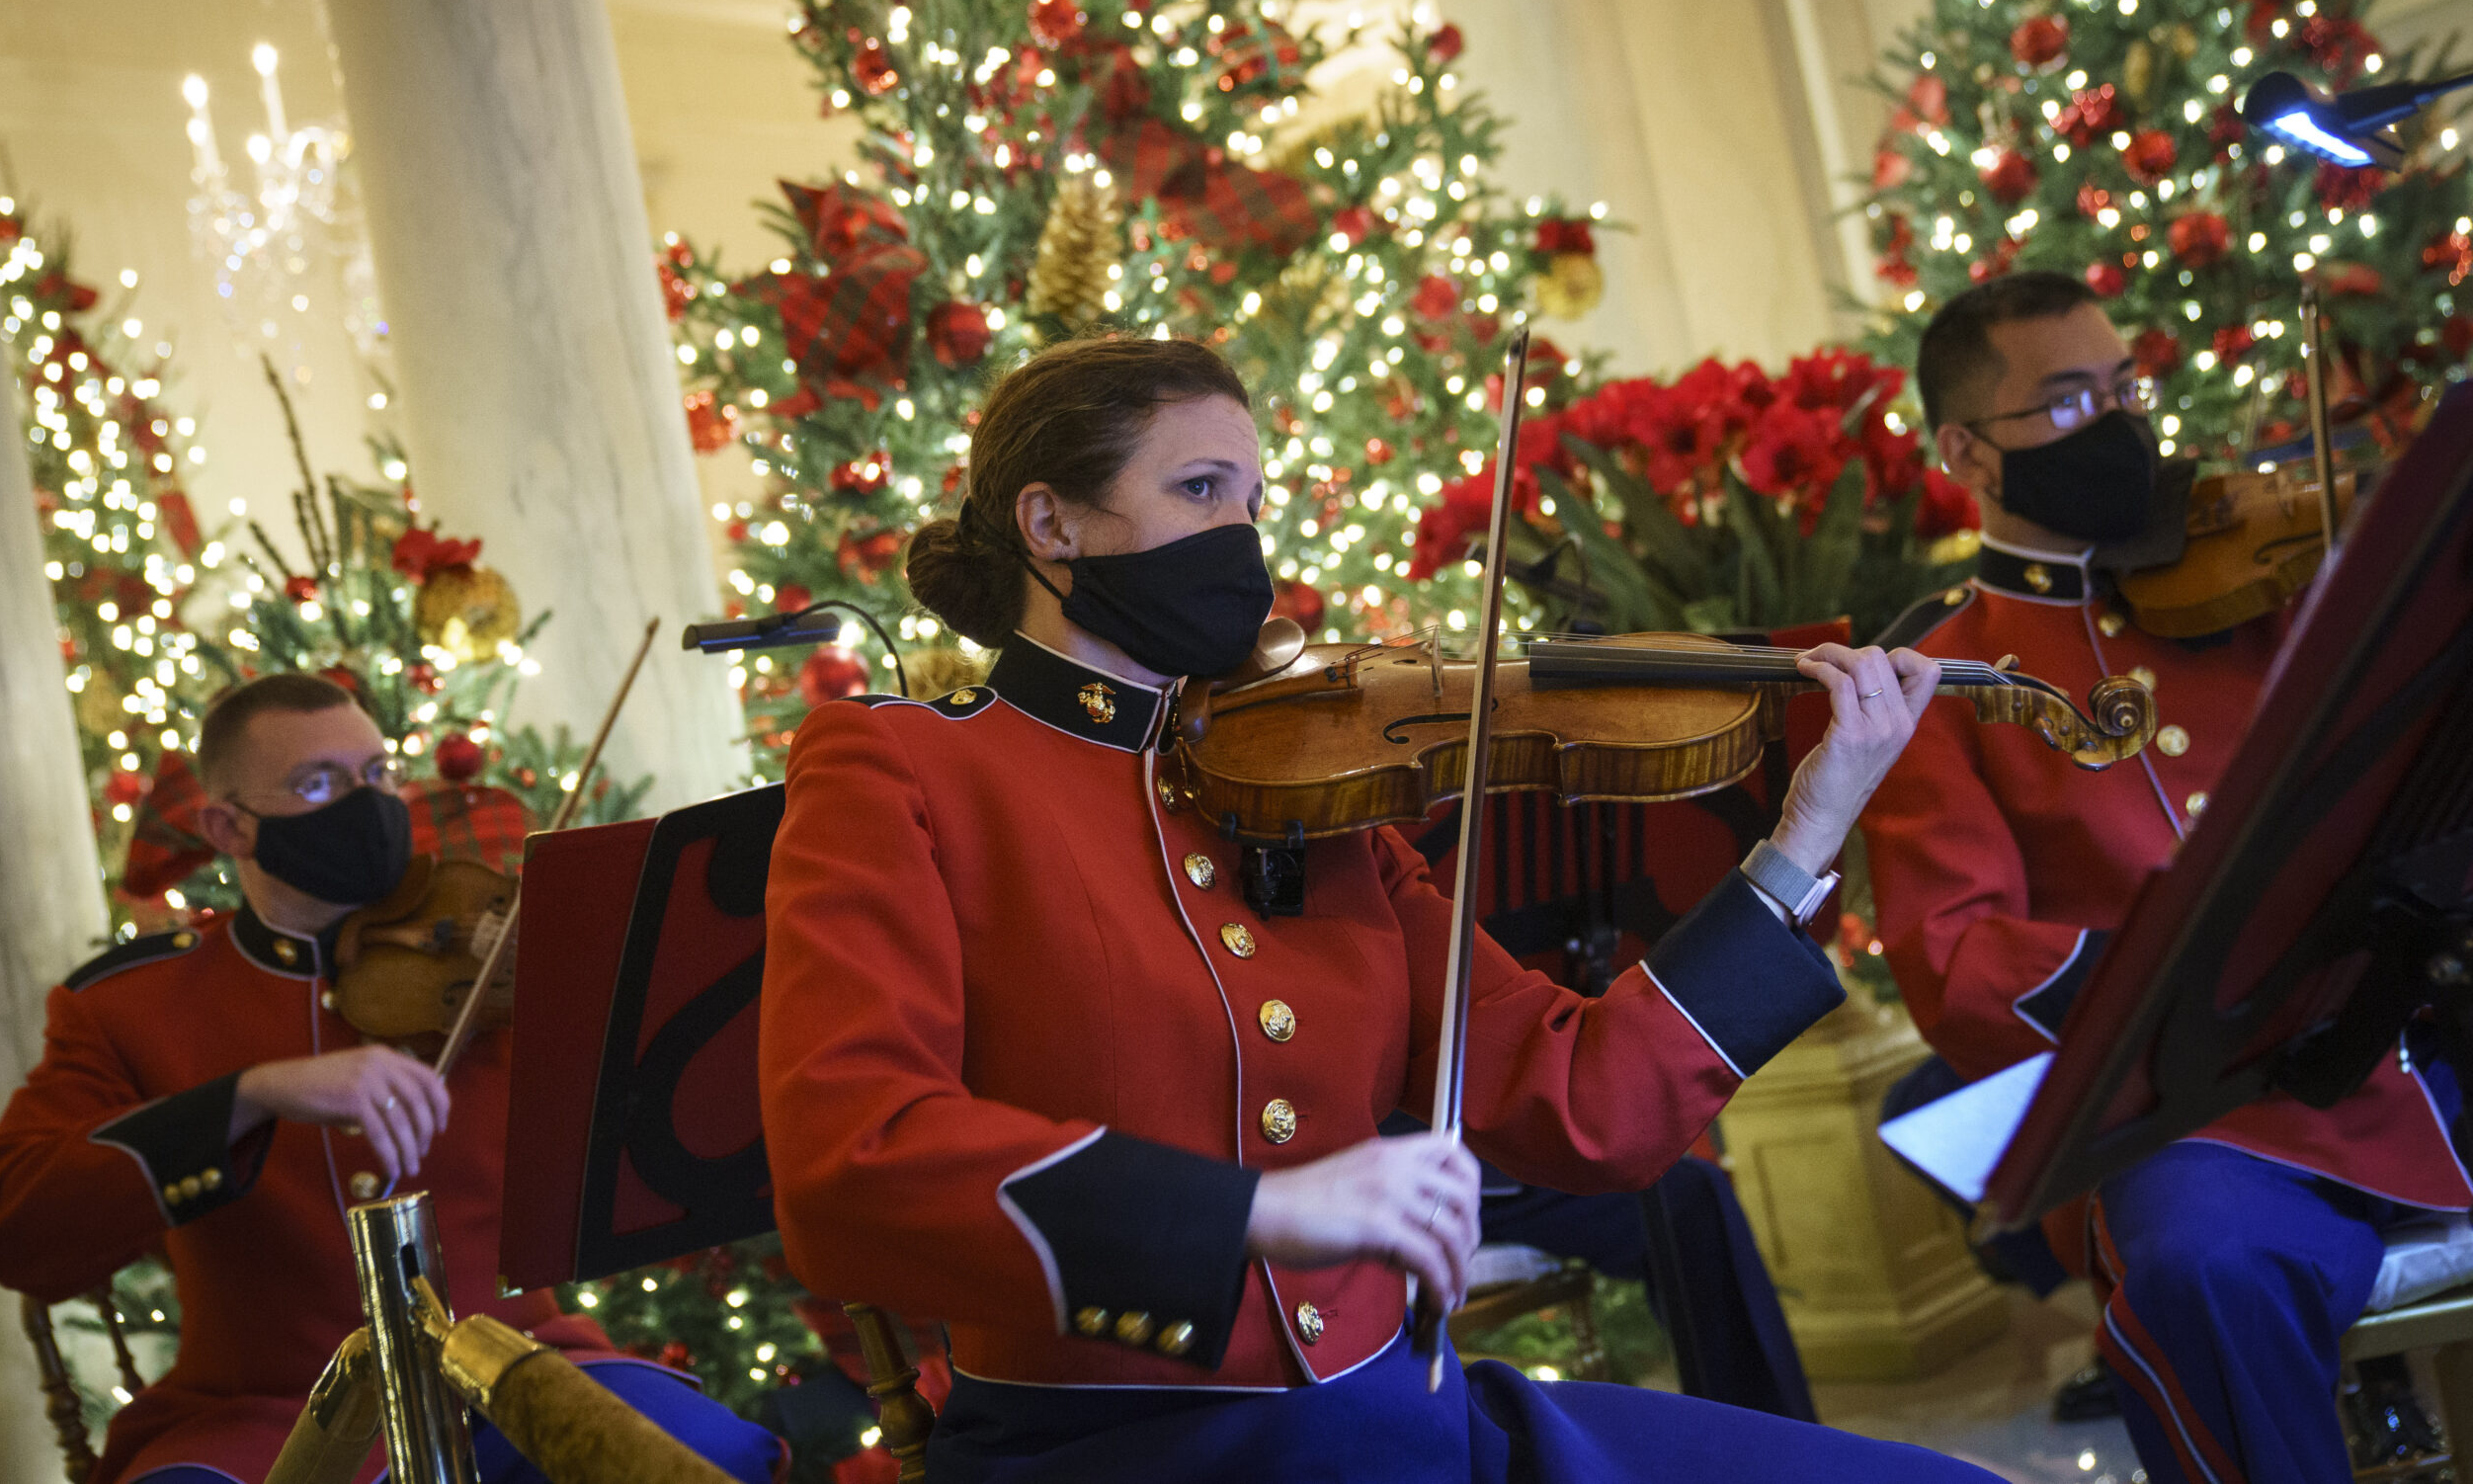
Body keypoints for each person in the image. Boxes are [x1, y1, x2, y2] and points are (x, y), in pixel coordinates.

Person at [759, 333, 1997, 1482]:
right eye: (1199, 491)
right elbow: (846, 1156)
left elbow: (1587, 1106)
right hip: (1125, 1445)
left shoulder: (1301, 787)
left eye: (1252, 502)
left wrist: (1805, 835)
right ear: (1051, 523)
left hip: (1409, 1415)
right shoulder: (903, 770)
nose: (1238, 536)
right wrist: (1252, 1213)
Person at [1860, 271, 2472, 1484]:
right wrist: (2176, 978)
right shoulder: (1943, 679)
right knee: (2198, 1272)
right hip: (2197, 1108)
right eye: (2073, 398)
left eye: (2127, 385)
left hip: (2419, 1042)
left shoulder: (2262, 594)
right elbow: (1954, 953)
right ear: (1966, 453)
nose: (2124, 422)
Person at [0, 673, 783, 1484]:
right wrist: (253, 1092)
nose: (370, 802)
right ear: (228, 826)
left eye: (379, 773)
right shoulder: (130, 1006)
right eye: (318, 783)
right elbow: (9, 1221)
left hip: (518, 1370)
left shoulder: (487, 958)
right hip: (261, 1414)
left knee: (708, 1459)